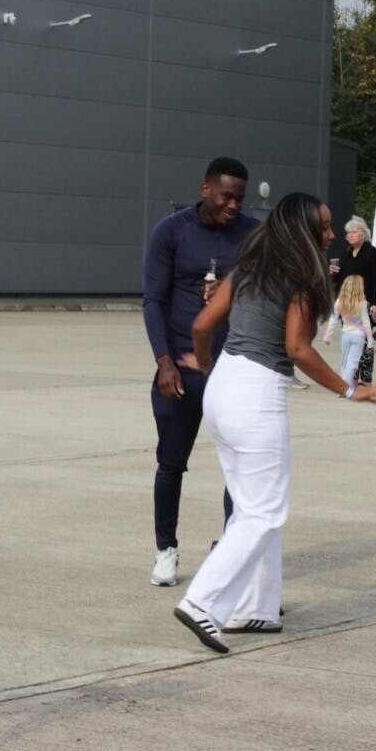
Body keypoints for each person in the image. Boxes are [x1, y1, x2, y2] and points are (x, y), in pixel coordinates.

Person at [172, 193, 376, 654]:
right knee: (263, 510)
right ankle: (202, 602)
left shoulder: (250, 265)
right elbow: (297, 348)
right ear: (303, 231)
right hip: (256, 394)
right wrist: (350, 389)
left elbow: (202, 325)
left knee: (256, 503)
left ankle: (258, 608)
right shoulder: (299, 277)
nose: (331, 235)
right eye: (325, 227)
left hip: (225, 384)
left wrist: (211, 368)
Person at [143, 157, 259, 587]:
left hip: (233, 370)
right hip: (181, 371)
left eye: (240, 199)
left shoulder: (251, 235)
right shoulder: (171, 232)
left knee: (239, 469)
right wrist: (164, 363)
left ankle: (230, 549)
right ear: (206, 189)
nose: (233, 205)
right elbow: (152, 300)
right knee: (171, 463)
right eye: (226, 196)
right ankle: (165, 550)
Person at [332, 215, 376, 325]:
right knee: (347, 335)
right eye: (348, 233)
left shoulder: (372, 253)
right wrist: (333, 272)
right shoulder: (347, 251)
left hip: (364, 303)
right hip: (346, 303)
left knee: (362, 337)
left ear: (363, 234)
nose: (350, 235)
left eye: (353, 232)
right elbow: (340, 277)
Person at [323, 275, 374, 382]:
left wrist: (328, 336)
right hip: (359, 336)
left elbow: (333, 319)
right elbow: (366, 323)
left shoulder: (339, 301)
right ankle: (345, 387)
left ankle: (343, 386)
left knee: (344, 361)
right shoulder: (362, 303)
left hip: (346, 334)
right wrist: (370, 340)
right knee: (353, 362)